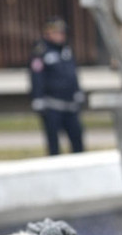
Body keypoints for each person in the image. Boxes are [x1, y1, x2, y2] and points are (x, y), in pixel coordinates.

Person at [29, 16, 86, 155]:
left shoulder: (66, 50)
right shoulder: (41, 51)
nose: (61, 36)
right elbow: (37, 76)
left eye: (62, 33)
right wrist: (38, 98)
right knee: (54, 145)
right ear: (48, 34)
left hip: (70, 104)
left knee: (78, 140)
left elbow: (73, 73)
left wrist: (78, 91)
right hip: (52, 105)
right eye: (57, 33)